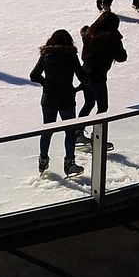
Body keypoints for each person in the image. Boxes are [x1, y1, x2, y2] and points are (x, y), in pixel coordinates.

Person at [29, 29, 87, 177]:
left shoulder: (46, 55)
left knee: (47, 131)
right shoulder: (71, 56)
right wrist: (77, 89)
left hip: (49, 99)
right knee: (69, 131)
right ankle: (69, 163)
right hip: (66, 99)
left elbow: (34, 75)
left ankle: (43, 159)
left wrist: (46, 84)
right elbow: (83, 78)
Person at [77, 11, 127, 150]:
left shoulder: (88, 34)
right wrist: (117, 38)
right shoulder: (110, 38)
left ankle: (77, 133)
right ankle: (97, 138)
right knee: (103, 107)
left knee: (88, 103)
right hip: (97, 76)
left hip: (85, 73)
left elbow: (83, 30)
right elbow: (122, 56)